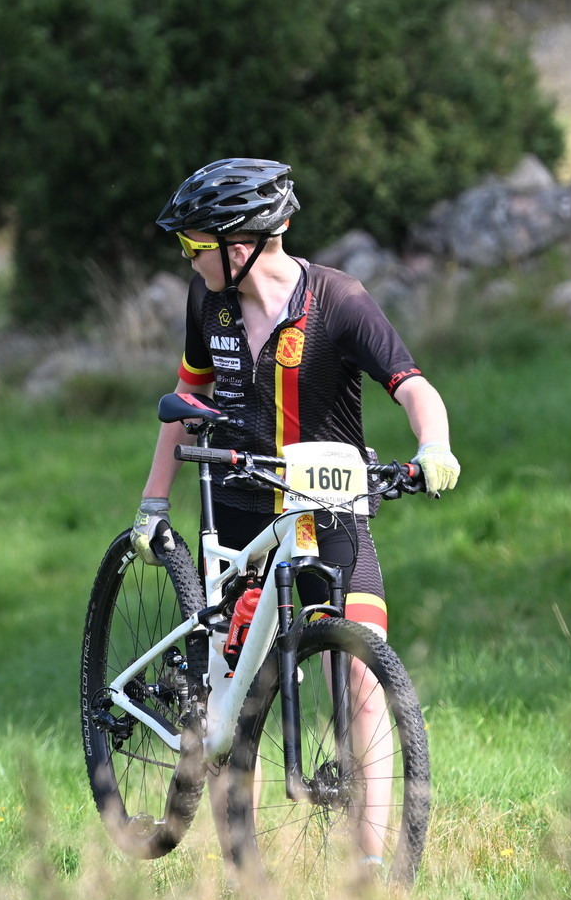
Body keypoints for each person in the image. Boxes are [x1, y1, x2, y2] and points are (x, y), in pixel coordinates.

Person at [131, 157, 459, 864]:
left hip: (331, 514)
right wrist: (153, 505)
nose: (187, 258)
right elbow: (186, 400)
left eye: (194, 244)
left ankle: (373, 869)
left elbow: (413, 385)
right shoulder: (208, 301)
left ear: (239, 246)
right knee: (235, 696)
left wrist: (434, 445)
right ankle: (244, 874)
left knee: (364, 676)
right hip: (240, 513)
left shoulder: (340, 301)